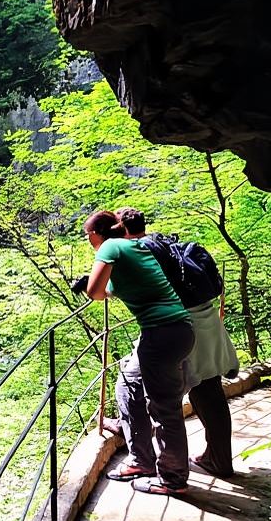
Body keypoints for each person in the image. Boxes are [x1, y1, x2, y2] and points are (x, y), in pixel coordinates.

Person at [76, 210, 195, 495]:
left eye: (87, 235)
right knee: (127, 386)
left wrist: (87, 286)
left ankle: (173, 479)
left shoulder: (110, 246)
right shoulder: (132, 246)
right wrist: (91, 286)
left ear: (97, 233)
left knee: (164, 407)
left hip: (161, 332)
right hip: (174, 330)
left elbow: (95, 292)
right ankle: (141, 459)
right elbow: (109, 290)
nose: (88, 240)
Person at [116, 207, 240, 477]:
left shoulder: (139, 252)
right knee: (209, 392)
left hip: (180, 327)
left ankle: (145, 460)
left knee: (133, 387)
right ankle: (219, 460)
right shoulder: (164, 243)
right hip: (207, 322)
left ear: (122, 230)